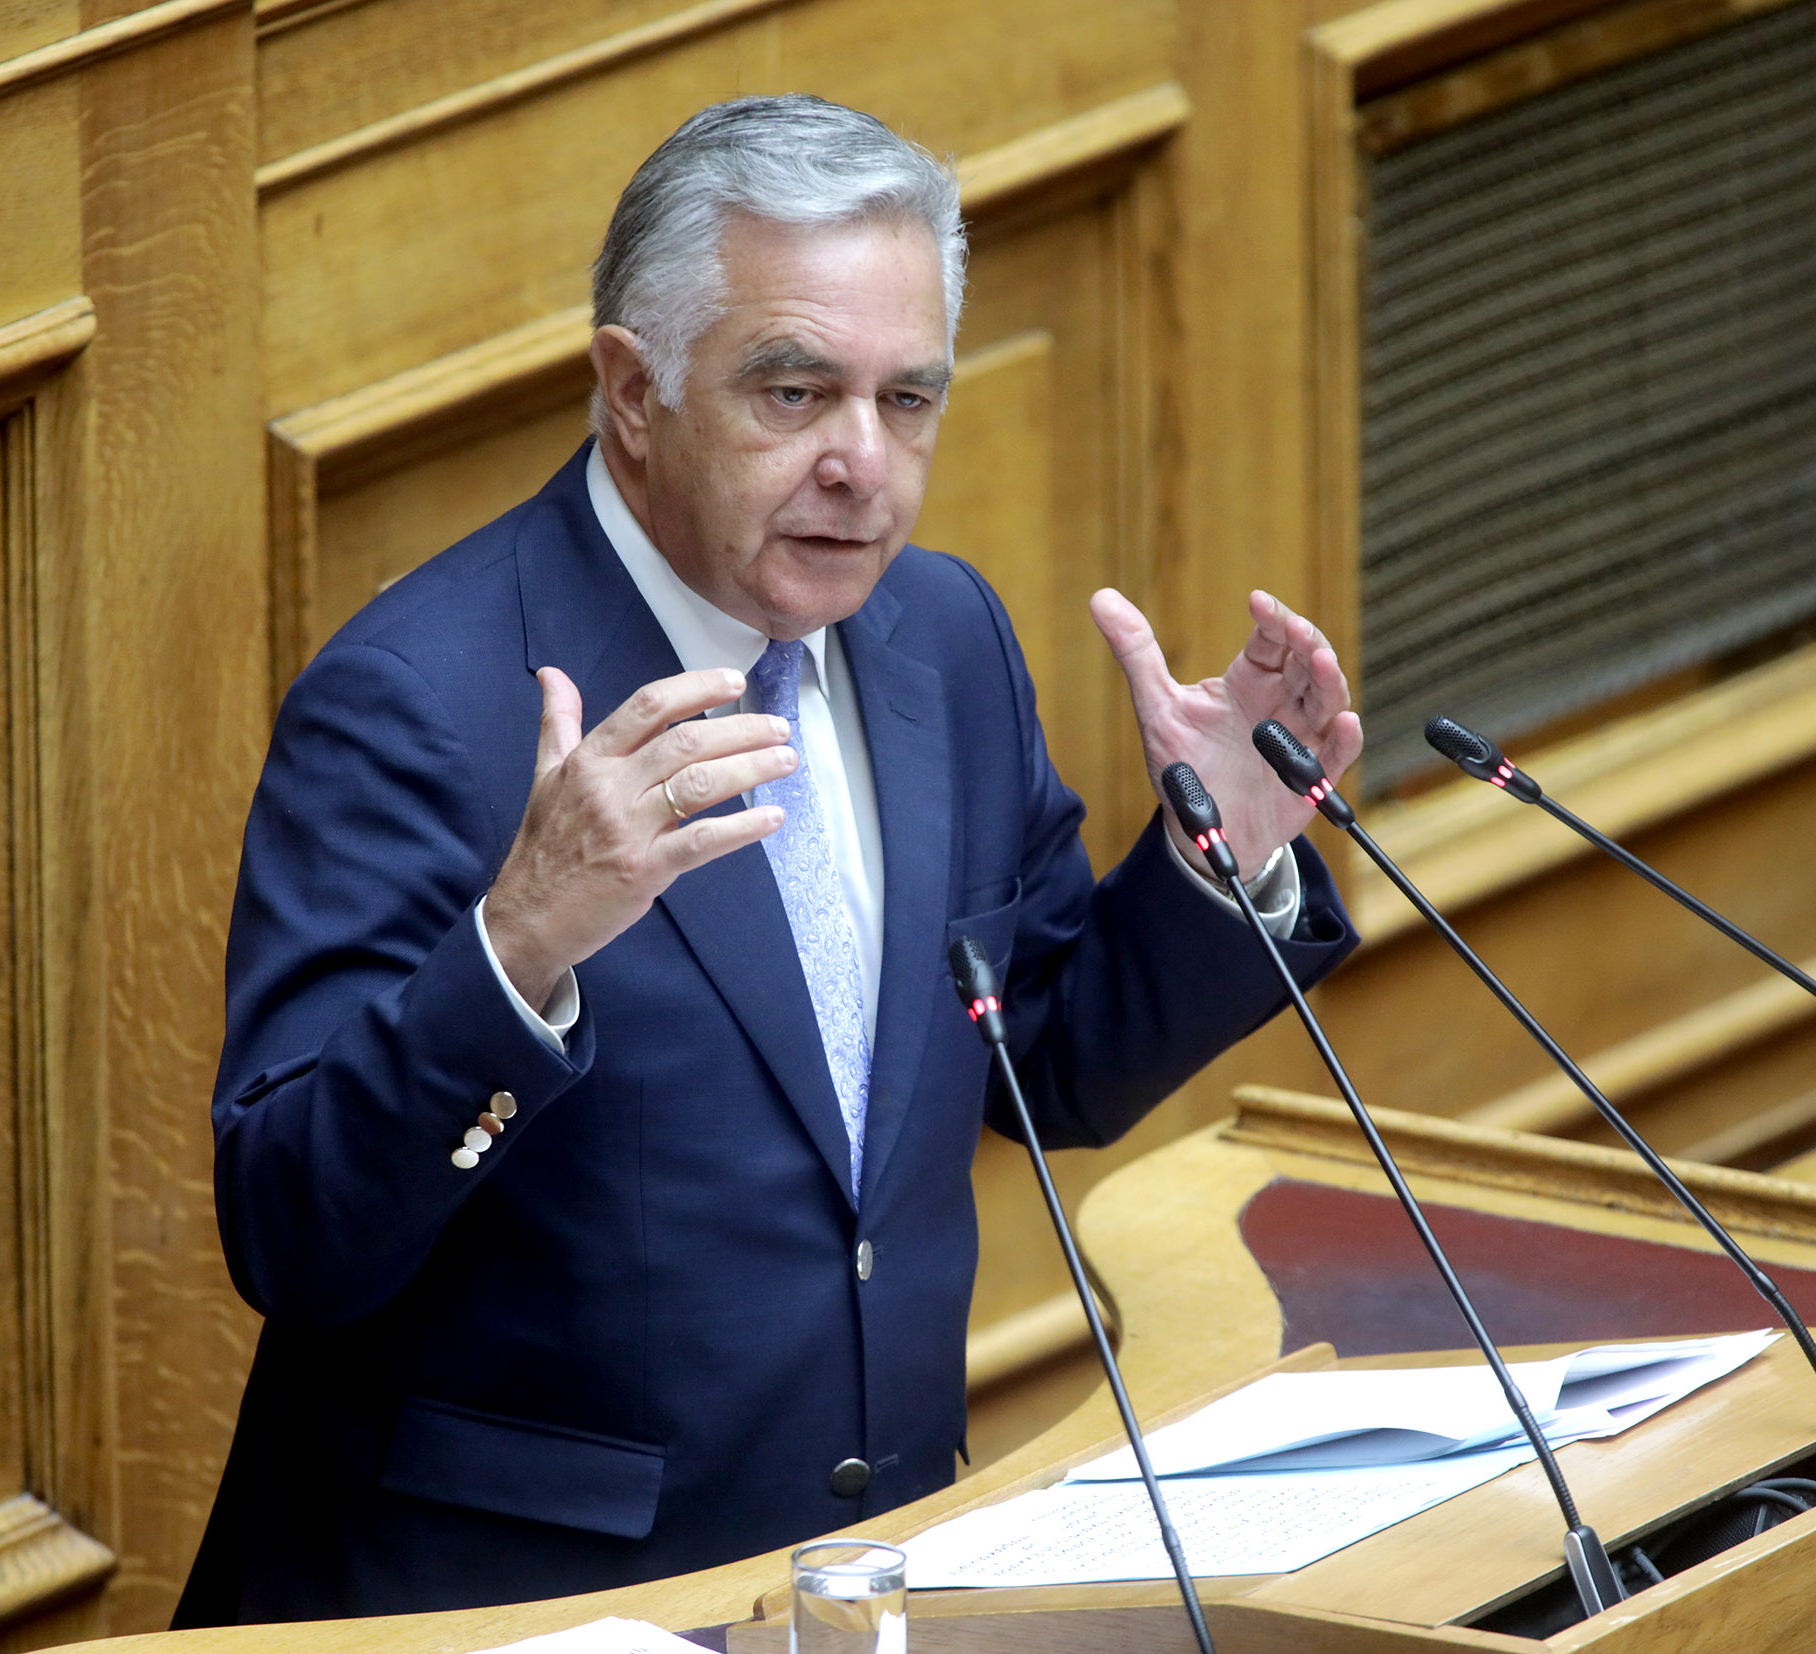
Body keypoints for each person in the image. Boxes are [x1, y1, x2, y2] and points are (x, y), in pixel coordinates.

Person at [175, 94, 1364, 1625]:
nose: (863, 463)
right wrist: (519, 946)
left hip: (861, 1583)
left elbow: (1044, 1058)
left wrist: (1224, 858)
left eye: (908, 398)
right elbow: (290, 1234)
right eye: (794, 392)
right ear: (634, 390)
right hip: (527, 1608)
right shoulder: (423, 700)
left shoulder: (942, 636)